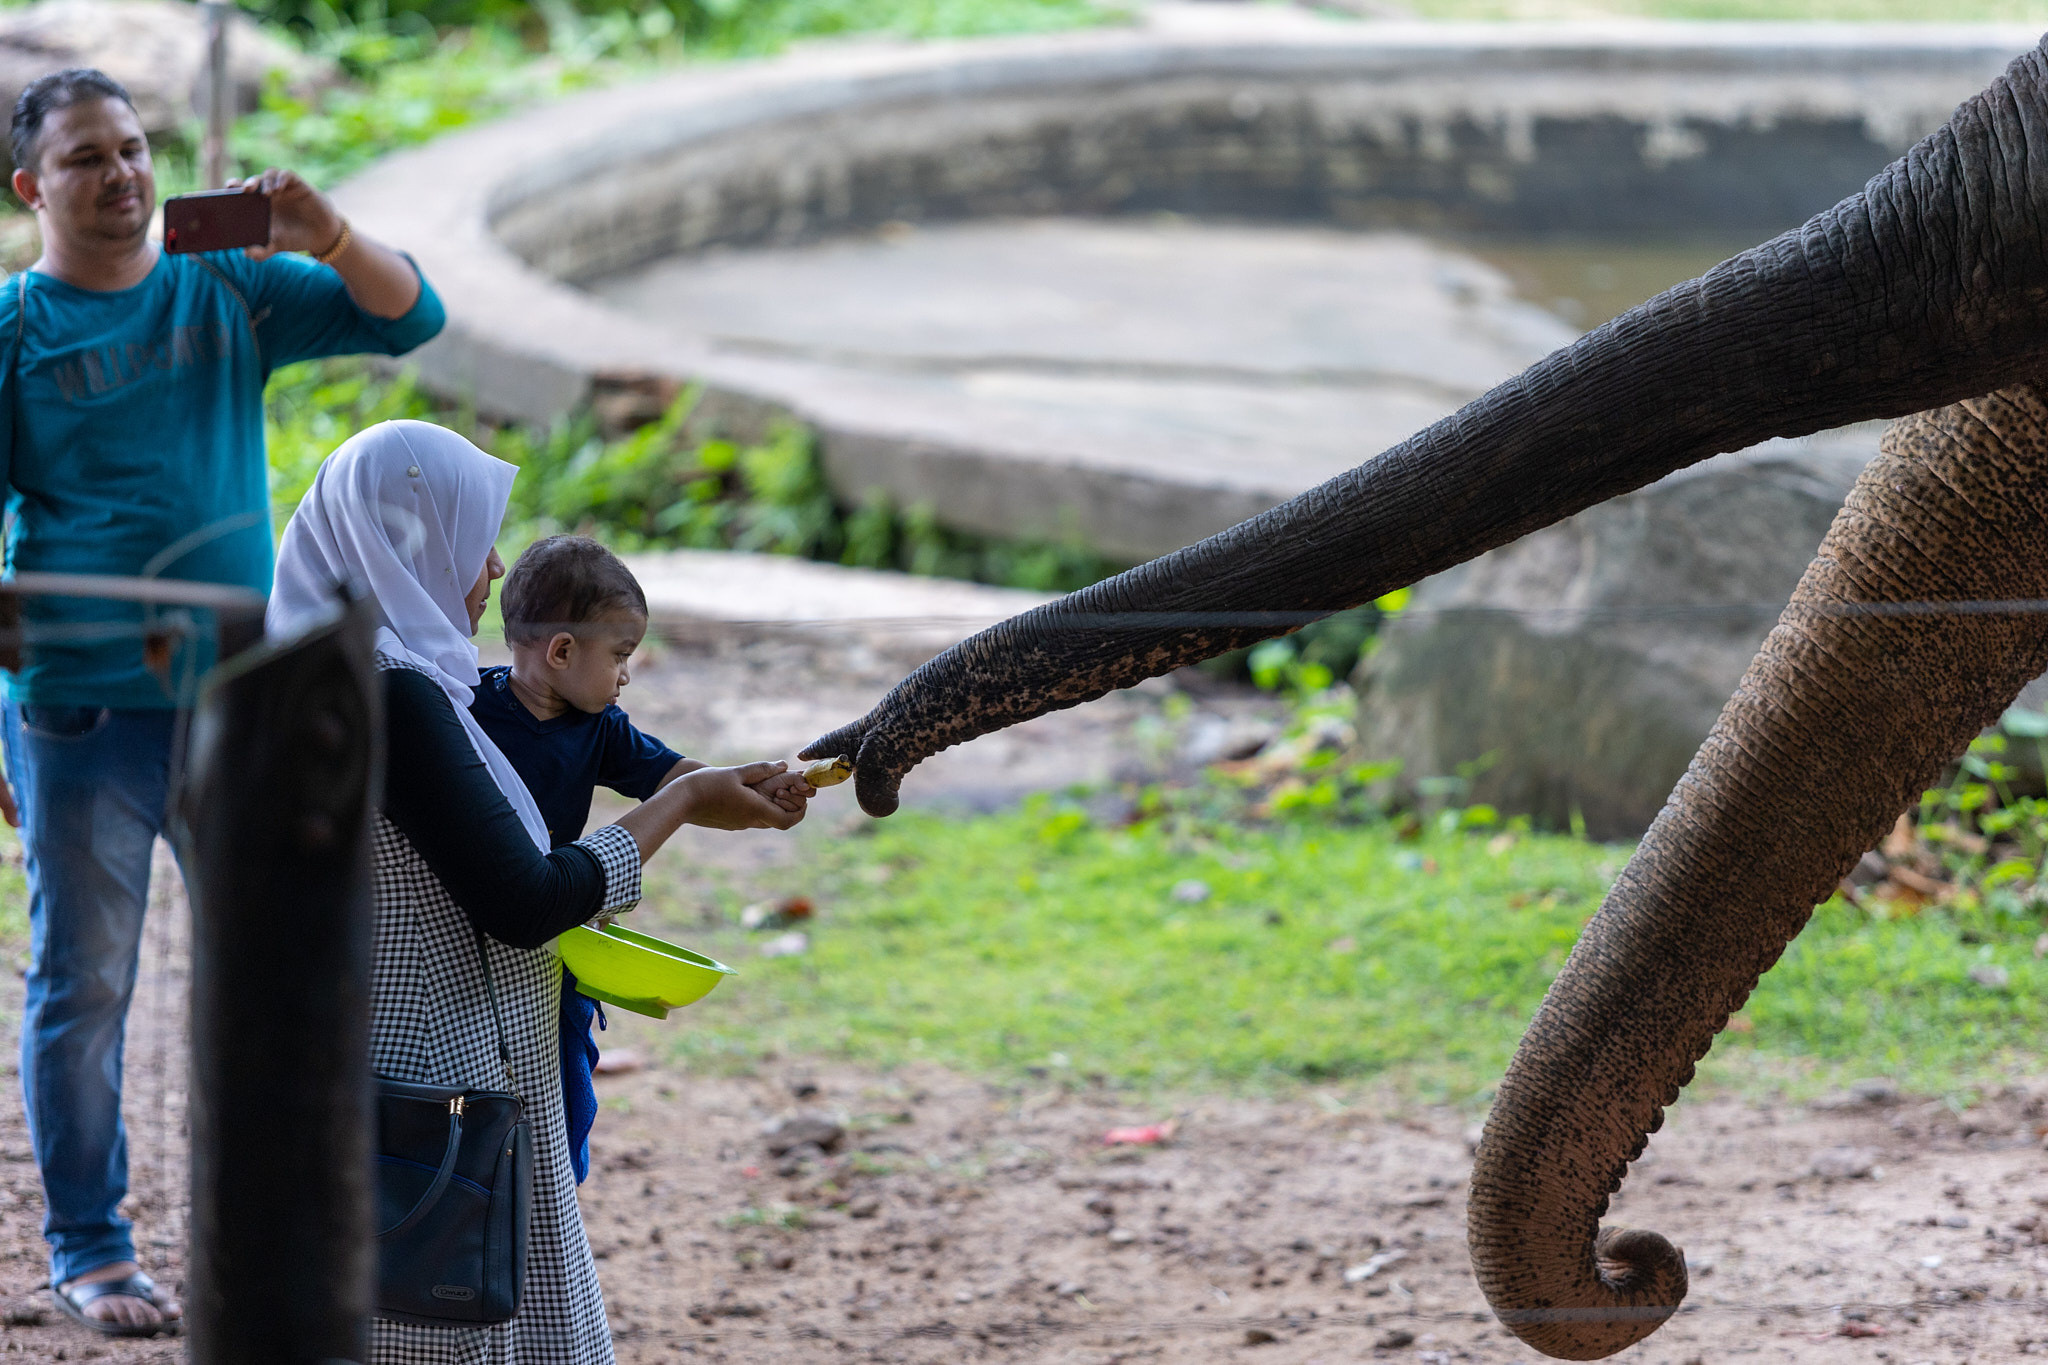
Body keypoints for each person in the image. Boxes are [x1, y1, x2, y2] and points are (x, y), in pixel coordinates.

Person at [0, 68, 446, 1336]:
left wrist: (327, 234)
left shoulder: (229, 284)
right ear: (33, 186)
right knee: (85, 989)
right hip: (75, 711)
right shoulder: (17, 332)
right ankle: (91, 1249)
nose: (121, 174)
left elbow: (410, 319)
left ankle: (271, 1246)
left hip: (241, 703)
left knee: (276, 971)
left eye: (133, 148)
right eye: (86, 158)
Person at [267, 420, 812, 1363]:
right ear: (411, 540)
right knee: (452, 1328)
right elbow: (525, 899)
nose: (488, 567)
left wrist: (717, 789)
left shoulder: (318, 666)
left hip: (386, 1056)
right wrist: (678, 803)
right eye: (471, 537)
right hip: (433, 1078)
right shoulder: (397, 690)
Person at [469, 534, 808, 1185]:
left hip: (557, 951)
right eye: (621, 655)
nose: (627, 673)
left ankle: (549, 1213)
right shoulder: (465, 710)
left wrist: (759, 795)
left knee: (563, 1112)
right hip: (480, 955)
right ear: (562, 650)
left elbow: (678, 780)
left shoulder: (599, 725)